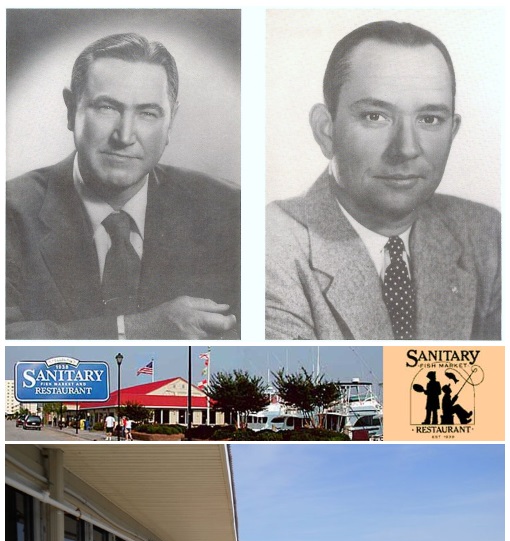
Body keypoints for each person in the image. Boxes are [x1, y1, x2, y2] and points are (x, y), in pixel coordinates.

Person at [266, 20, 500, 340]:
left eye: (429, 119)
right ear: (326, 130)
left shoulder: (488, 236)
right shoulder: (270, 247)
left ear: (452, 132)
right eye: (375, 116)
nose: (406, 149)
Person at [7, 32, 240, 340]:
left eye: (147, 113)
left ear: (170, 121)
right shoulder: (10, 213)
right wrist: (131, 331)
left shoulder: (231, 211)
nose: (125, 135)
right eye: (107, 107)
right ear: (70, 109)